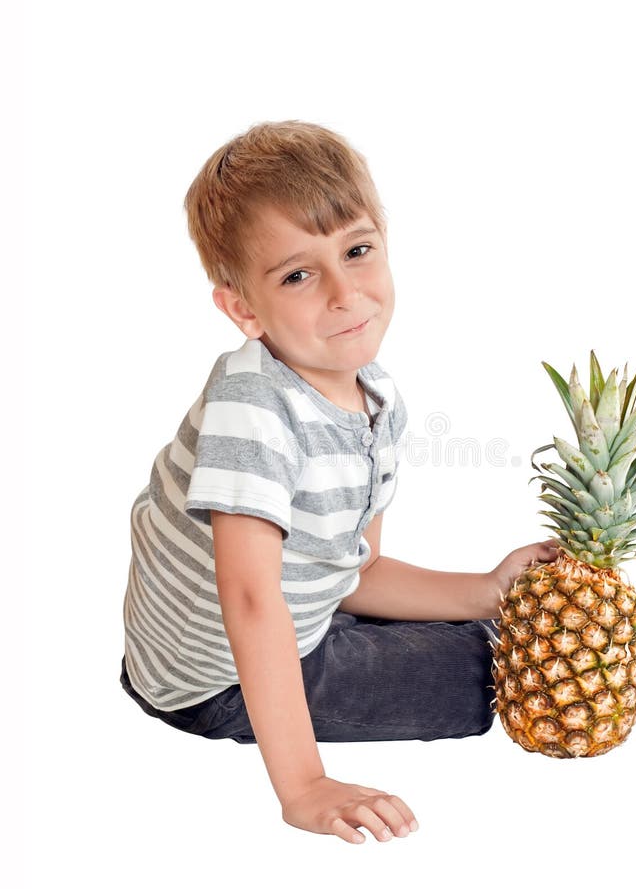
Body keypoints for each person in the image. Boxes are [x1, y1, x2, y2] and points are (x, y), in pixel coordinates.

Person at [119, 119, 558, 845]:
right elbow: (252, 598)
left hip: (294, 622)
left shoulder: (377, 400)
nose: (345, 291)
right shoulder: (251, 406)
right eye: (298, 274)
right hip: (213, 683)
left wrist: (487, 587)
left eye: (357, 251)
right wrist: (304, 785)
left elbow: (354, 572)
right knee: (488, 674)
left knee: (508, 623)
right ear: (242, 309)